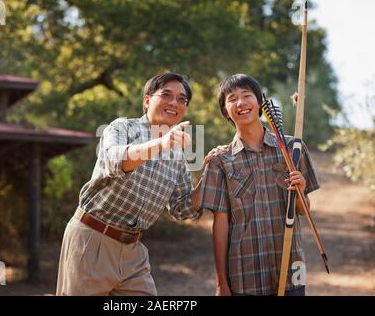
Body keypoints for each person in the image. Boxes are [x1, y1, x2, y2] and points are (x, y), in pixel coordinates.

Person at [56, 72, 211, 296]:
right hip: (92, 240)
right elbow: (115, 160)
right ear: (147, 100)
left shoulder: (177, 155)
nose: (174, 103)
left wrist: (210, 175)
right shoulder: (122, 128)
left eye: (181, 99)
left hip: (133, 252)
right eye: (166, 95)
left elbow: (183, 208)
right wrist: (161, 142)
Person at [200, 73, 320, 296]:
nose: (241, 103)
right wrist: (221, 283)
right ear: (225, 111)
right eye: (232, 98)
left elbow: (303, 212)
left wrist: (301, 190)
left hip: (290, 269)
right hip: (244, 275)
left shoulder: (293, 148)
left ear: (260, 103)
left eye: (247, 95)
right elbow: (221, 224)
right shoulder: (220, 161)